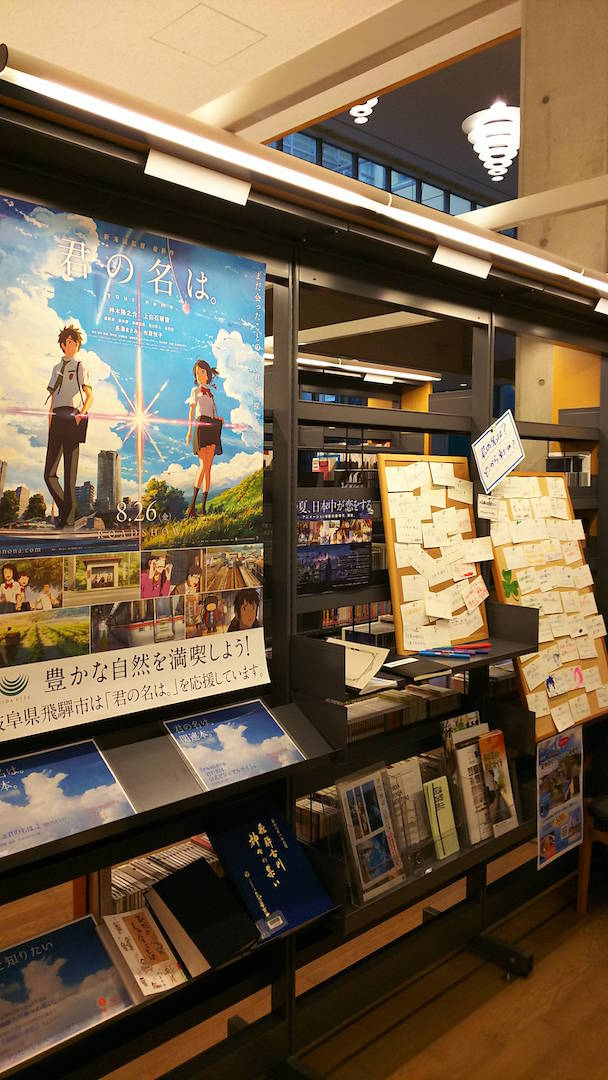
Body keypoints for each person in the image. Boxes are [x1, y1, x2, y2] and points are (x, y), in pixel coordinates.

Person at [45, 325, 93, 528]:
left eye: (75, 342)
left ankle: (67, 518)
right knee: (49, 474)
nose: (72, 346)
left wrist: (80, 416)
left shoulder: (80, 366)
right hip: (56, 418)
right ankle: (68, 508)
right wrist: (50, 422)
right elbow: (52, 397)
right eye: (69, 342)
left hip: (72, 416)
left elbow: (89, 396)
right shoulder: (56, 368)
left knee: (69, 473)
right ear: (63, 345)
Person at [185, 358, 223, 517]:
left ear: (207, 374)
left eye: (202, 372)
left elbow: (213, 414)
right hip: (200, 425)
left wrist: (219, 420)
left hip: (212, 427)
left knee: (208, 467)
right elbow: (191, 412)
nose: (199, 375)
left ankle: (203, 509)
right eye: (197, 373)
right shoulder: (195, 391)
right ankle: (192, 507)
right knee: (203, 465)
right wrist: (189, 431)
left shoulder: (211, 394)